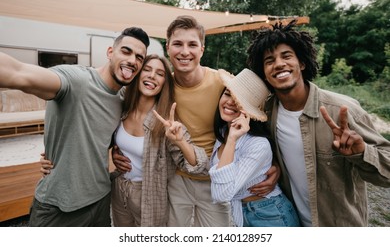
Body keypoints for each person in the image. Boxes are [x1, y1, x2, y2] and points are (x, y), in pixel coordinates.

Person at [114, 15, 280, 227]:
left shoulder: (221, 83)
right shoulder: (163, 85)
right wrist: (117, 148)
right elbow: (130, 112)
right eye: (178, 44)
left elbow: (254, 117)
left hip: (215, 179)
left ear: (202, 49)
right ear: (168, 48)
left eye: (192, 44)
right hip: (177, 177)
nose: (185, 51)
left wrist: (272, 164)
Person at [0, 27, 150, 227]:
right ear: (110, 52)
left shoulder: (123, 99)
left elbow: (102, 136)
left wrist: (116, 149)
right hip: (59, 205)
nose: (133, 60)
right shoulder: (76, 80)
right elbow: (18, 73)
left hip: (100, 200)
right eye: (126, 51)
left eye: (140, 57)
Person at [246, 20, 390, 226]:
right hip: (294, 222)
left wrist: (362, 152)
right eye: (269, 61)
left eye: (286, 56)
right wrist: (275, 165)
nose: (278, 64)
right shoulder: (265, 113)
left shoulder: (343, 110)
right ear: (265, 74)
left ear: (302, 63)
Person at [110, 54, 208, 227]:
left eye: (160, 74)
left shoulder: (166, 123)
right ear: (138, 75)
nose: (152, 76)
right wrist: (114, 155)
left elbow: (197, 166)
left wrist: (180, 141)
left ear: (164, 83)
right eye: (147, 70)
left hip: (148, 194)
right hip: (119, 189)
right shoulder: (122, 109)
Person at [209, 68, 300, 227]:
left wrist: (232, 140)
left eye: (239, 100)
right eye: (227, 94)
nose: (230, 101)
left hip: (271, 214)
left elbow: (221, 194)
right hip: (242, 214)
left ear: (249, 110)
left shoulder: (258, 144)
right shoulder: (222, 131)